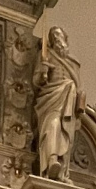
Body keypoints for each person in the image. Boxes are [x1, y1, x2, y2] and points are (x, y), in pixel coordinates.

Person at [33, 27, 85, 180]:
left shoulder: (73, 62)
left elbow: (79, 85)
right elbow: (36, 82)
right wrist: (42, 73)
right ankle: (51, 161)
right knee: (52, 124)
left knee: (67, 132)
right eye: (54, 37)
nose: (57, 40)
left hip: (69, 98)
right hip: (50, 97)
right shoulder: (45, 55)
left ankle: (62, 170)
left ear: (65, 39)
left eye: (59, 36)